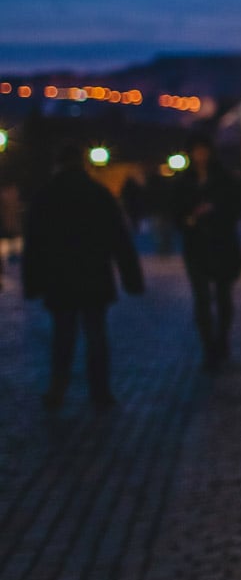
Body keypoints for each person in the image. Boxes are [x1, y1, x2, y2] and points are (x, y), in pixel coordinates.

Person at [22, 144, 144, 409]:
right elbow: (119, 239)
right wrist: (132, 279)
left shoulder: (46, 197)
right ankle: (100, 394)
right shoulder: (98, 194)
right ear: (82, 165)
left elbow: (34, 244)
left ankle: (57, 390)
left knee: (62, 336)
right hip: (93, 275)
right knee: (96, 335)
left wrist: (32, 283)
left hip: (60, 278)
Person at [170, 133, 241, 368]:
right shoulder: (184, 182)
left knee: (223, 297)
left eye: (204, 150)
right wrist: (191, 218)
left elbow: (235, 208)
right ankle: (209, 348)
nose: (200, 155)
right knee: (202, 299)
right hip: (196, 247)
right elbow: (176, 215)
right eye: (196, 150)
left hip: (222, 244)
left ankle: (222, 341)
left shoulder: (224, 179)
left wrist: (215, 210)